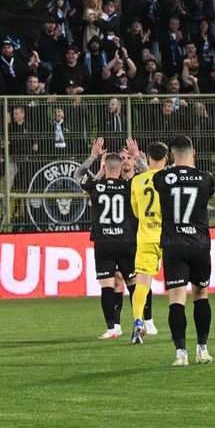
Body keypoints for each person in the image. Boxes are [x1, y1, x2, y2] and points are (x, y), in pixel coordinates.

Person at [153, 135, 215, 366]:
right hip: (199, 244)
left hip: (174, 245)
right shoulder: (206, 178)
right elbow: (209, 194)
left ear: (171, 155)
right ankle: (203, 349)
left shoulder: (163, 177)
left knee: (176, 299)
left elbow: (156, 179)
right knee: (201, 294)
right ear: (194, 153)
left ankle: (181, 354)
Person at [74, 137, 141, 340]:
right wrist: (137, 157)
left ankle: (112, 328)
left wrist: (93, 157)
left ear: (105, 167)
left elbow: (77, 175)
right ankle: (139, 321)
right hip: (126, 241)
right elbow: (149, 176)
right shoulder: (129, 185)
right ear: (121, 168)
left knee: (107, 286)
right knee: (133, 283)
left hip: (103, 243)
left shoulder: (96, 186)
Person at [128, 139, 168, 344]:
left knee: (142, 284)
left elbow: (136, 211)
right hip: (169, 238)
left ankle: (138, 321)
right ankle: (177, 329)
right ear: (166, 158)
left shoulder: (137, 181)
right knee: (177, 285)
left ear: (148, 157)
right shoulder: (170, 179)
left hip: (145, 238)